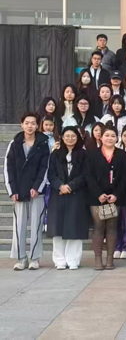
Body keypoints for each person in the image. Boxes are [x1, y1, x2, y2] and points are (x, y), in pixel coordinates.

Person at [4, 112, 50, 271]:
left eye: (33, 123)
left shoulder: (43, 143)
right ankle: (21, 258)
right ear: (22, 124)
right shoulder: (14, 143)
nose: (30, 126)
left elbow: (45, 167)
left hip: (37, 192)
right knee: (19, 226)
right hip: (19, 191)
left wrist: (37, 187)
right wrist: (12, 191)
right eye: (27, 123)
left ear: (37, 126)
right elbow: (8, 168)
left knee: (36, 226)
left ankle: (35, 258)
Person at [85, 125, 126, 270]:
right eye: (107, 135)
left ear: (117, 138)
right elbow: (88, 176)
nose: (109, 138)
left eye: (112, 136)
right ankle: (98, 259)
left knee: (112, 227)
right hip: (97, 197)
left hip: (114, 198)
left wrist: (116, 194)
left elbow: (125, 177)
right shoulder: (92, 154)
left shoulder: (121, 154)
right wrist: (98, 193)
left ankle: (110, 259)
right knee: (98, 227)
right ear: (101, 137)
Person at [47, 126, 88, 270]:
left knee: (75, 227)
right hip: (58, 195)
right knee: (58, 228)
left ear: (78, 138)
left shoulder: (84, 154)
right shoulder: (56, 154)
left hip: (77, 195)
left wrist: (70, 186)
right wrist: (60, 186)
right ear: (62, 138)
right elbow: (51, 174)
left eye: (73, 136)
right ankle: (59, 260)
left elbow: (85, 175)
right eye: (67, 136)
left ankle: (73, 260)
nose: (70, 139)